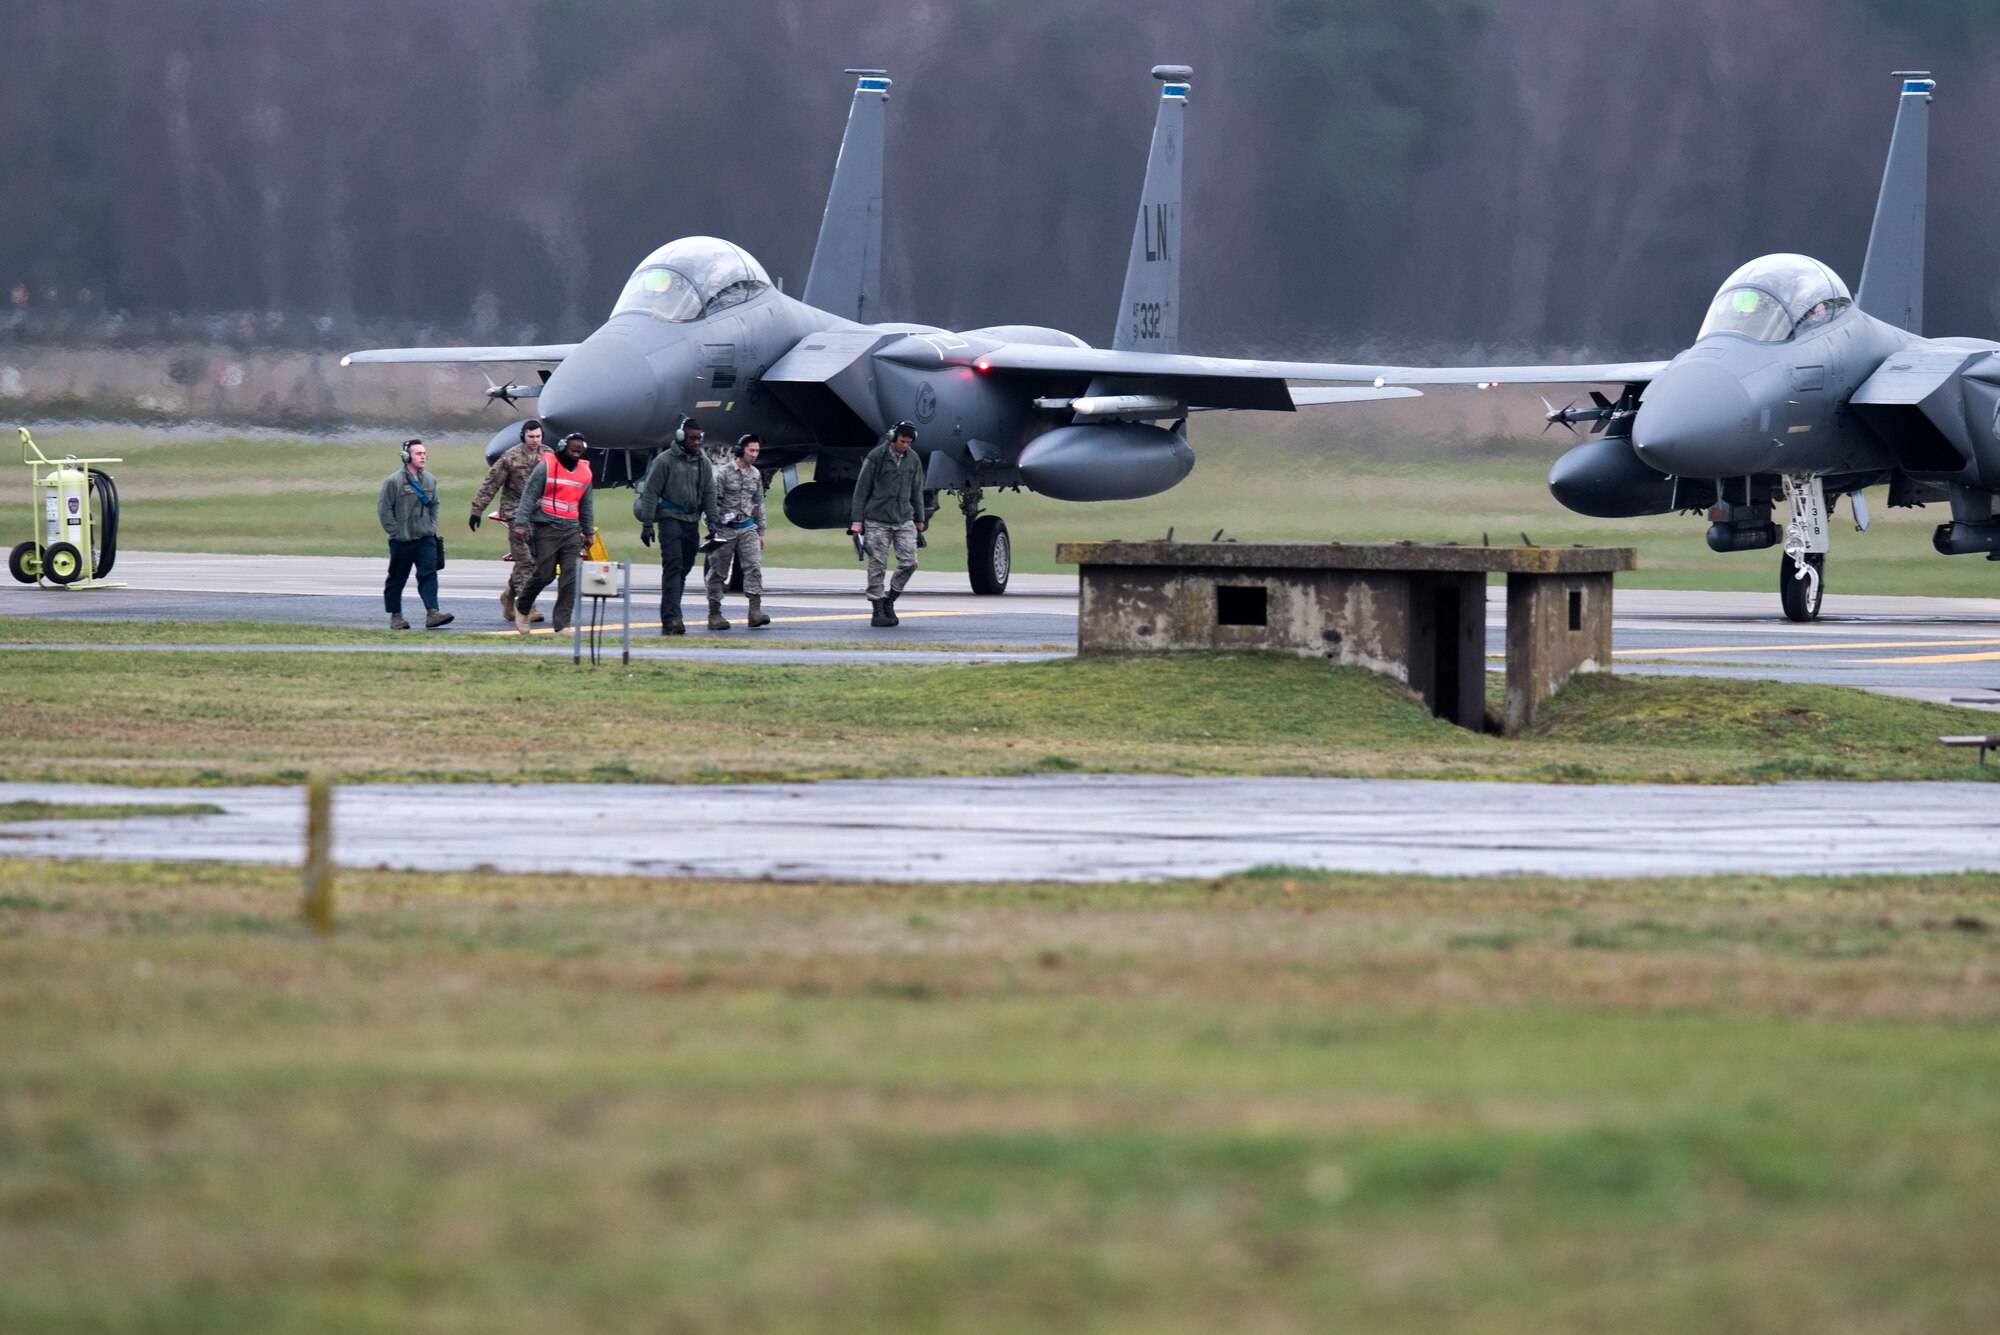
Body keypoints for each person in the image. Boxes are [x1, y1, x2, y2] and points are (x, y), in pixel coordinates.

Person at [634, 416, 722, 634]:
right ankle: (673, 618)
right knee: (673, 566)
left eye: (699, 438)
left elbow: (709, 493)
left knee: (684, 567)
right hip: (669, 519)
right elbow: (651, 492)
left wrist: (713, 521)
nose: (697, 442)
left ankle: (670, 612)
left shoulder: (702, 462)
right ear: (681, 437)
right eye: (692, 438)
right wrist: (647, 524)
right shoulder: (664, 461)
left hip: (691, 522)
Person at [510, 431, 596, 635]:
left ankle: (562, 624)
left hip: (571, 530)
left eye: (579, 451)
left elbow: (586, 505)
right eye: (572, 450)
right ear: (562, 447)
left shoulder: (585, 472)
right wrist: (520, 524)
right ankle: (522, 607)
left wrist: (588, 531)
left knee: (570, 578)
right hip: (547, 527)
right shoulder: (546, 467)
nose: (576, 454)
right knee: (544, 574)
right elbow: (529, 495)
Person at [470, 418, 549, 624]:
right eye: (531, 436)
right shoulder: (510, 457)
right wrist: (477, 509)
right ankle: (527, 608)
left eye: (538, 436)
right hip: (516, 515)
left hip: (541, 516)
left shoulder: (549, 456)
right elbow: (491, 483)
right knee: (525, 561)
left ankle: (509, 596)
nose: (534, 440)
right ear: (523, 436)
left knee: (538, 563)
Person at [848, 421, 927, 627]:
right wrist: (857, 521)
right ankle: (877, 609)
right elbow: (861, 490)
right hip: (877, 519)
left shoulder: (913, 460)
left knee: (910, 562)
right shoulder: (876, 457)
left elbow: (917, 491)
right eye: (902, 441)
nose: (905, 446)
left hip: (904, 518)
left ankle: (890, 600)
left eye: (909, 442)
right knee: (877, 565)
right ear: (893, 437)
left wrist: (919, 520)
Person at [376, 438, 453, 629]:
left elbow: (435, 504)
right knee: (397, 577)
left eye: (424, 453)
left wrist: (431, 526)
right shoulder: (393, 482)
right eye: (419, 453)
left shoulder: (430, 480)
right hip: (402, 540)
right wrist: (396, 532)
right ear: (406, 456)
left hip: (425, 538)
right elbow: (384, 510)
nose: (423, 457)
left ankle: (432, 613)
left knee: (429, 574)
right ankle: (396, 617)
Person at [704, 434, 771, 630]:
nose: (754, 455)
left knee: (753, 568)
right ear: (741, 450)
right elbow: (712, 503)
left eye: (757, 451)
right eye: (751, 450)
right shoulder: (723, 474)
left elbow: (758, 503)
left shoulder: (755, 474)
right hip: (725, 529)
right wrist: (713, 529)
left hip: (748, 527)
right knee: (718, 572)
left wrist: (761, 531)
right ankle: (714, 614)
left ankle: (754, 611)